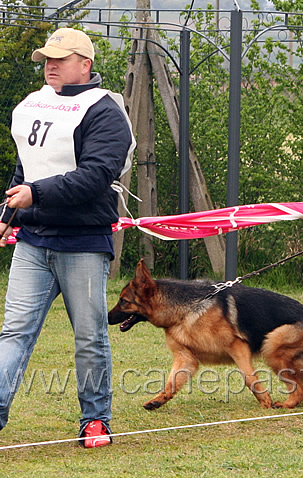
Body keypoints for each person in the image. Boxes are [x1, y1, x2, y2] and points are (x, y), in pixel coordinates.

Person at [0, 28, 134, 446]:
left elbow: (95, 177)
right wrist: (6, 214)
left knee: (90, 335)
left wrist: (35, 194)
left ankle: (96, 419)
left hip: (82, 243)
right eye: (46, 59)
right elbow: (26, 169)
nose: (50, 65)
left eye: (59, 58)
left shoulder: (106, 113)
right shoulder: (34, 105)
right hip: (32, 240)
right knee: (14, 332)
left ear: (85, 64)